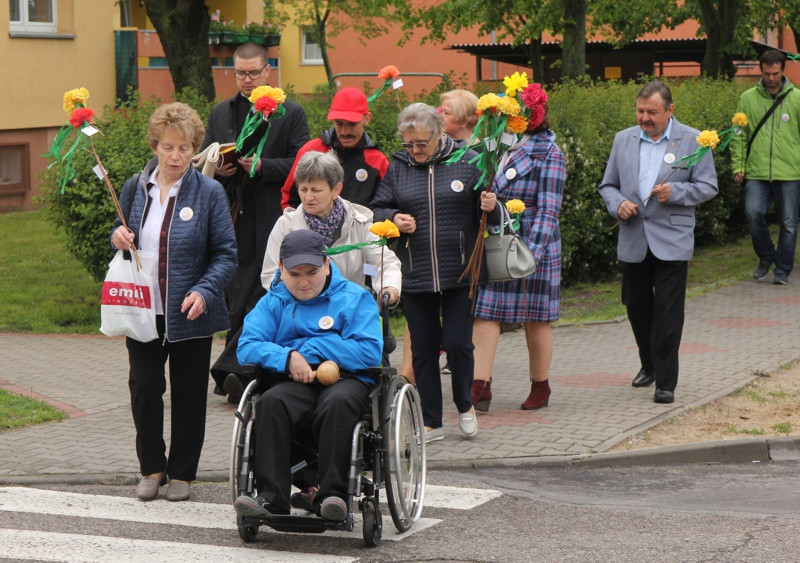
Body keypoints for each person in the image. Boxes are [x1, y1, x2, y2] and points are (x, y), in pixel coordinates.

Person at [110, 102, 237, 501]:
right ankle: (152, 467)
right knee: (145, 388)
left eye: (184, 148)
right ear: (155, 146)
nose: (176, 156)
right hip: (144, 310)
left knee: (188, 392)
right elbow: (122, 231)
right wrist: (118, 235)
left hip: (190, 312)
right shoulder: (135, 187)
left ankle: (182, 473)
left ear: (195, 148)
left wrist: (204, 290)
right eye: (168, 147)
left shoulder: (210, 192)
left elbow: (226, 254)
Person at [370, 103, 498, 442]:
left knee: (458, 343)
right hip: (414, 272)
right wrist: (394, 218)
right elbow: (377, 209)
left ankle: (465, 405)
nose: (414, 151)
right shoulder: (398, 168)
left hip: (461, 271)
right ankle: (431, 421)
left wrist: (492, 205)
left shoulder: (468, 162)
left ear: (439, 134)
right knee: (423, 348)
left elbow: (495, 215)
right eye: (408, 144)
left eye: (421, 144)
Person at [233, 230, 382, 522]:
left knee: (336, 403)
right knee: (271, 403)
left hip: (347, 380)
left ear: (327, 264)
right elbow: (246, 347)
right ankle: (271, 499)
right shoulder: (273, 301)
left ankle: (332, 496)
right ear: (280, 269)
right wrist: (286, 357)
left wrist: (311, 348)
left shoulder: (355, 298)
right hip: (296, 382)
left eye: (312, 272)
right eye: (294, 274)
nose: (303, 282)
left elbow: (369, 352)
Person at [201, 42, 310, 402]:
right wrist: (220, 168)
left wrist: (264, 167)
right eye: (240, 73)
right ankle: (240, 373)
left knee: (264, 291)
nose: (246, 80)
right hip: (233, 212)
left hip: (273, 213)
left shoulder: (290, 112)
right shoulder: (221, 112)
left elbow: (301, 162)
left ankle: (236, 371)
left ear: (268, 72)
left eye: (253, 73)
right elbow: (206, 160)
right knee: (236, 293)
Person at [599, 81, 718, 404]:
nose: (644, 118)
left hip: (672, 239)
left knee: (667, 312)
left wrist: (675, 192)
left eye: (652, 112)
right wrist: (618, 203)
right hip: (634, 236)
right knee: (636, 306)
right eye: (640, 111)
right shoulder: (623, 140)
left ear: (670, 110)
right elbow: (607, 185)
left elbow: (708, 186)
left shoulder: (693, 140)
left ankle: (666, 382)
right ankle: (649, 364)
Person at [471, 98, 566, 413]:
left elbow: (550, 210)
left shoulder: (550, 153)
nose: (508, 117)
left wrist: (532, 254)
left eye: (516, 113)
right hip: (499, 240)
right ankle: (478, 385)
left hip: (534, 244)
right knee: (486, 311)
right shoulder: (498, 145)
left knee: (536, 317)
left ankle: (541, 385)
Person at [731, 49, 800, 285]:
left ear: (783, 70)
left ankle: (782, 269)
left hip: (790, 171)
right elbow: (738, 135)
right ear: (760, 70)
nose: (771, 78)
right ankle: (766, 255)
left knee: (789, 223)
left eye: (776, 73)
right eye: (767, 73)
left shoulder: (797, 98)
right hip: (757, 171)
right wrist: (737, 166)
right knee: (753, 214)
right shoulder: (747, 98)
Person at [281, 87, 389, 209]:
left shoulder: (377, 161)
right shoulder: (311, 149)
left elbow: (385, 206)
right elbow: (290, 199)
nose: (345, 131)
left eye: (352, 124)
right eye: (339, 123)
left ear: (367, 119)